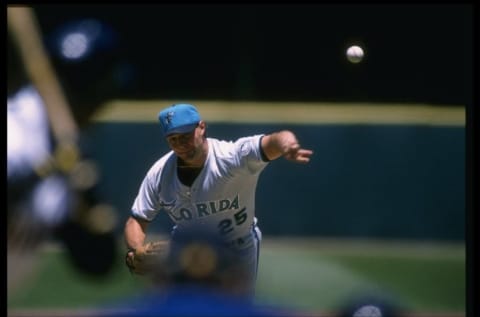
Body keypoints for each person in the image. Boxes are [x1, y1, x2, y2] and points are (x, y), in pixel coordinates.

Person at [124, 103, 313, 293]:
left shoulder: (231, 157)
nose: (180, 143)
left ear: (202, 127)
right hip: (187, 253)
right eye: (173, 139)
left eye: (185, 136)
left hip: (236, 248)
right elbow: (137, 220)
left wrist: (288, 145)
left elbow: (275, 139)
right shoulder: (160, 173)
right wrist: (135, 250)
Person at [7, 7, 132, 293]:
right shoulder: (14, 130)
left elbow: (97, 265)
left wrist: (90, 218)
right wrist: (46, 169)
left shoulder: (72, 151)